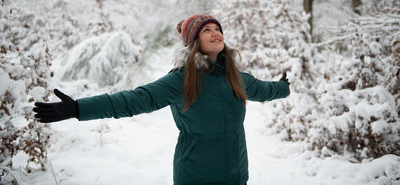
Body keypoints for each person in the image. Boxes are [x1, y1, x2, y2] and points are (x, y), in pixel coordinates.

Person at [33, 14, 290, 185]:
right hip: (196, 176)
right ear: (194, 42)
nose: (216, 33)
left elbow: (265, 90)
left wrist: (284, 87)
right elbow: (133, 100)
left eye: (218, 29)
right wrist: (79, 108)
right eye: (207, 30)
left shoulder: (236, 77)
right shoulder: (182, 80)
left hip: (236, 175)